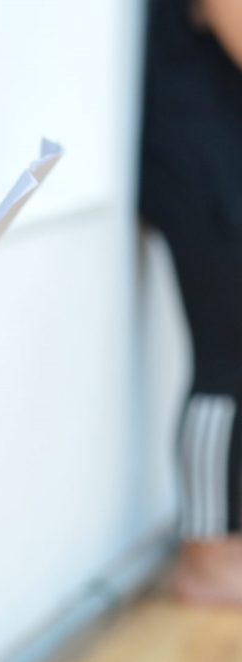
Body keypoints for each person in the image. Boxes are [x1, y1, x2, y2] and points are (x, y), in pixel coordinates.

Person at [139, 0, 242, 606]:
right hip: (199, 170)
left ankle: (228, 546)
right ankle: (205, 559)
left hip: (218, 163)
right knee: (224, 362)